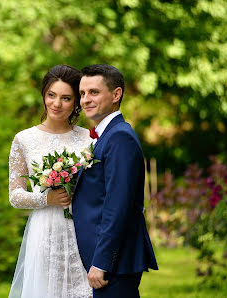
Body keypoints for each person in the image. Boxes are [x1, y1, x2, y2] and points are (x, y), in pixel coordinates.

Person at [72, 64, 158, 298]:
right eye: (82, 93)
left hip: (115, 261)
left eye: (94, 92)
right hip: (111, 259)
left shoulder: (119, 137)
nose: (85, 100)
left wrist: (101, 262)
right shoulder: (107, 135)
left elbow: (117, 205)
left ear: (116, 94)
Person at [8, 65, 93, 298]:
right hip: (45, 230)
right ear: (44, 95)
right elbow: (15, 196)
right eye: (51, 95)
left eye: (66, 98)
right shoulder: (24, 139)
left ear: (76, 102)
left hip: (82, 226)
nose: (57, 104)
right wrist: (48, 198)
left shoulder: (89, 138)